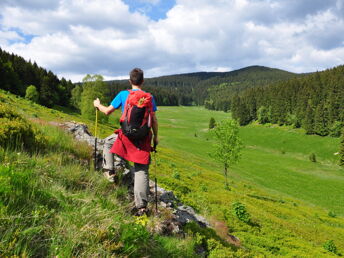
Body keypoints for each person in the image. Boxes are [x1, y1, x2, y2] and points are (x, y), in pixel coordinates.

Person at [93, 68, 158, 215]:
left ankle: (109, 172)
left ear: (130, 81)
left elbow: (107, 111)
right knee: (141, 170)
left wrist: (97, 105)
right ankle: (141, 208)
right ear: (143, 81)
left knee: (108, 142)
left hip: (125, 135)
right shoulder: (149, 97)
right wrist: (156, 137)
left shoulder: (123, 94)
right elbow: (153, 119)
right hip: (143, 138)